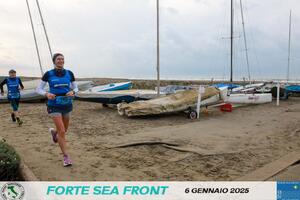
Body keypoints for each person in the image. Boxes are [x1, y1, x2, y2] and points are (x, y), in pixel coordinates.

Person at [36, 53, 78, 167]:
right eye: (58, 59)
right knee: (62, 132)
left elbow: (76, 87)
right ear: (54, 61)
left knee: (64, 130)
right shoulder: (48, 74)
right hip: (53, 104)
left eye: (62, 59)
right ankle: (66, 157)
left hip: (67, 104)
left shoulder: (69, 73)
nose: (61, 61)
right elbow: (38, 89)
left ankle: (54, 133)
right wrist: (46, 93)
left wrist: (73, 92)